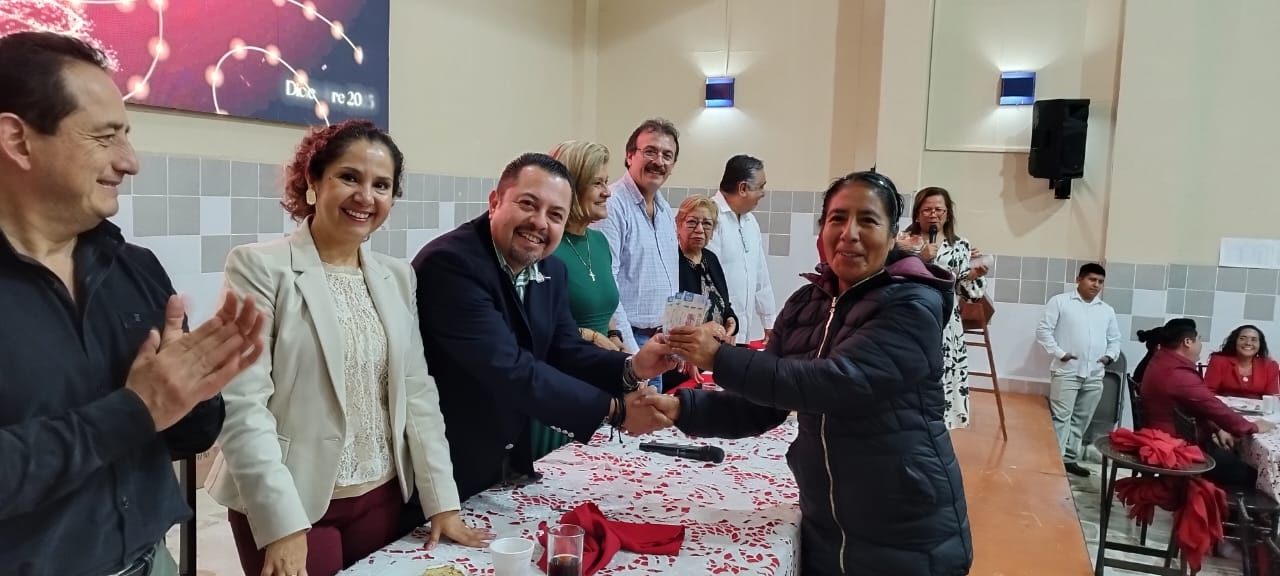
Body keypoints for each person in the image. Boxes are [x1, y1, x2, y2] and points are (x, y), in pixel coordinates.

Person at [0, 31, 264, 576]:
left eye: (127, 136)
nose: (130, 162)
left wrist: (193, 394)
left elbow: (188, 435)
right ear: (18, 141)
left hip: (153, 560)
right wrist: (136, 409)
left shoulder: (134, 268)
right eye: (105, 137)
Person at [651, 170, 973, 575]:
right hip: (827, 522)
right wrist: (679, 409)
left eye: (868, 220)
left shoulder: (911, 305)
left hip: (903, 528)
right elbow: (762, 404)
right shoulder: (808, 302)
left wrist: (720, 358)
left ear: (893, 235)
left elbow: (837, 383)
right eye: (837, 218)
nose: (849, 233)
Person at [207, 120, 491, 576]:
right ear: (314, 181)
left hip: (380, 496)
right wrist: (281, 525)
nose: (366, 197)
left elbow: (417, 392)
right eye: (349, 177)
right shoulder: (259, 267)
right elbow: (242, 405)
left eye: (381, 185)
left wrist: (443, 502)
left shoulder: (397, 277)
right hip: (291, 503)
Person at [412, 153, 677, 501]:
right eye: (528, 204)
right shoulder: (451, 264)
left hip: (508, 462)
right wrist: (617, 410)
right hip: (445, 468)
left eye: (555, 215)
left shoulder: (552, 269)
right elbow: (508, 368)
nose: (539, 223)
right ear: (495, 202)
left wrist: (633, 366)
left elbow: (565, 349)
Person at [532, 140, 626, 461]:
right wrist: (591, 337)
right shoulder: (545, 247)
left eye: (606, 182)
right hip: (559, 388)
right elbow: (534, 325)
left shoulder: (599, 243)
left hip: (598, 384)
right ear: (572, 188)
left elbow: (603, 305)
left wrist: (613, 335)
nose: (607, 192)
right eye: (598, 183)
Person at [596, 118, 682, 389]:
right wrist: (633, 356)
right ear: (629, 155)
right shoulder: (612, 205)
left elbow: (671, 281)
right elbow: (606, 283)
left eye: (667, 155)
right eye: (650, 151)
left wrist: (675, 341)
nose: (659, 161)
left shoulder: (665, 210)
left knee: (653, 416)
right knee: (629, 414)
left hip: (659, 341)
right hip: (625, 340)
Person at [1139, 319, 1274, 487]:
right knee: (1255, 475)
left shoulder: (1163, 359)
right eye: (1199, 339)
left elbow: (1202, 405)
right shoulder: (1178, 373)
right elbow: (1211, 405)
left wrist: (1217, 428)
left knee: (1235, 454)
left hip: (1172, 435)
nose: (1200, 345)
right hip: (1177, 444)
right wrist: (1252, 427)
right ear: (1188, 342)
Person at [895, 187, 984, 429]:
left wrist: (974, 276)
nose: (933, 214)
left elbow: (971, 295)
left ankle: (938, 429)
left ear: (948, 213)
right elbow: (892, 276)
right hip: (909, 319)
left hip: (946, 323)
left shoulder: (961, 246)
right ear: (917, 214)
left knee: (942, 376)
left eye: (939, 209)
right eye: (927, 210)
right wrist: (920, 258)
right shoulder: (901, 242)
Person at [1035, 262, 1120, 478]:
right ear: (1079, 279)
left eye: (1100, 281)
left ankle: (1069, 459)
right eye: (1092, 280)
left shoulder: (1106, 310)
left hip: (1095, 374)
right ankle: (1054, 460)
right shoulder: (1060, 302)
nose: (1096, 285)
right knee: (1061, 417)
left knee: (1082, 419)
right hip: (1066, 371)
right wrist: (1060, 353)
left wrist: (1109, 357)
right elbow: (1043, 331)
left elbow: (1114, 339)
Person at [665, 194, 738, 385]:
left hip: (713, 357)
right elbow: (667, 319)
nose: (699, 229)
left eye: (706, 224)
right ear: (678, 225)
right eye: (692, 222)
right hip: (679, 363)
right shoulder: (671, 261)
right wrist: (690, 350)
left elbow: (724, 303)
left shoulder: (711, 259)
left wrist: (731, 320)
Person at [705, 155, 775, 346]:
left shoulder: (750, 222)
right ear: (743, 188)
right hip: (715, 331)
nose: (763, 193)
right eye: (760, 187)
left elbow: (761, 277)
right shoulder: (709, 217)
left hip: (742, 332)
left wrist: (769, 322)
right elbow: (706, 279)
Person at [1205, 324, 1280, 398]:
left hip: (1258, 406)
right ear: (1235, 341)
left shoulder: (1270, 365)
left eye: (1254, 340)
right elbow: (1208, 392)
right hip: (1221, 405)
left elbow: (1271, 398)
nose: (1248, 343)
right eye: (1242, 338)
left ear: (1260, 345)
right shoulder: (1218, 361)